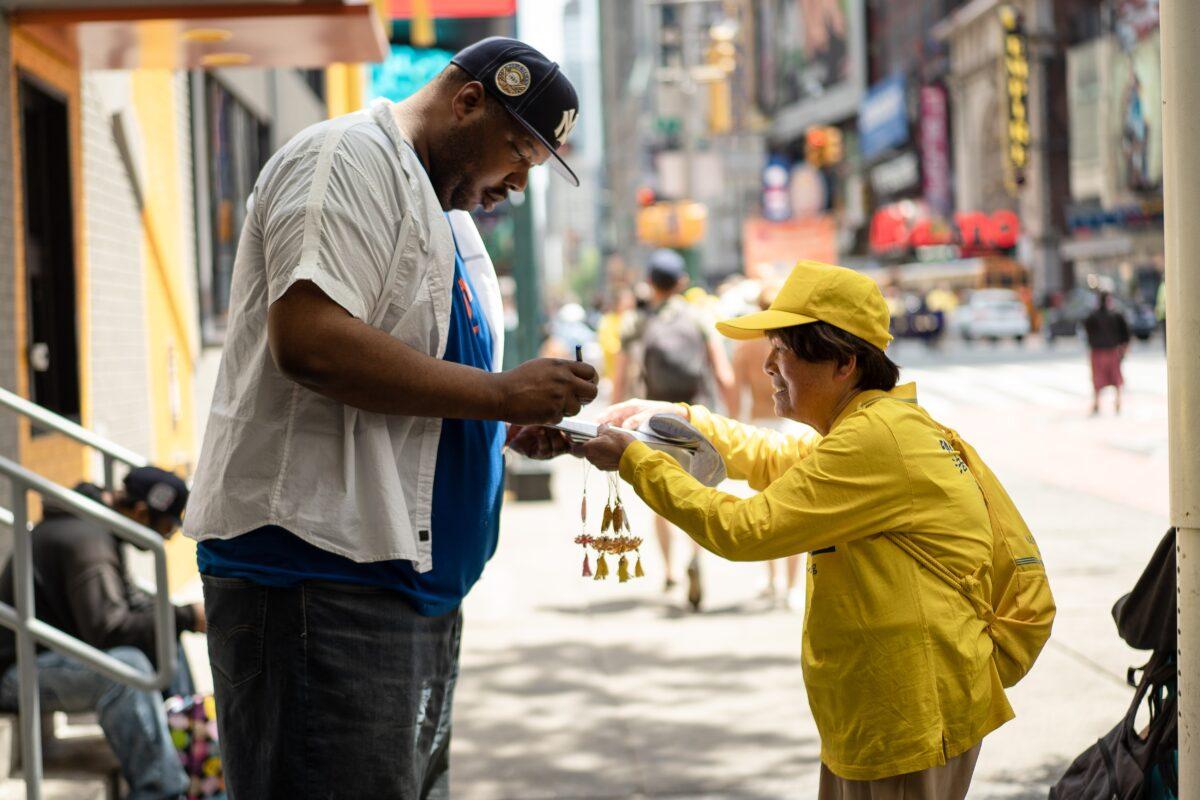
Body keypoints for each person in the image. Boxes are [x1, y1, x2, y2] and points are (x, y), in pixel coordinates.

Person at [183, 37, 597, 799]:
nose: (515, 183)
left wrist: (494, 427)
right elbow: (311, 343)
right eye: (516, 153)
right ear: (467, 101)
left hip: (404, 593)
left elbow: (424, 379)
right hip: (320, 588)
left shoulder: (445, 215)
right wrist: (501, 395)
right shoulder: (346, 160)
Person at [584, 260, 1020, 799]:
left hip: (908, 713)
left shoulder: (873, 439)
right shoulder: (868, 425)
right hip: (881, 708)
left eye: (783, 350)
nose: (768, 364)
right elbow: (773, 456)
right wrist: (680, 419)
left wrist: (638, 463)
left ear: (843, 363)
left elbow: (744, 529)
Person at [0, 467, 200, 800]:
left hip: (45, 658)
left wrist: (178, 617)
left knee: (163, 633)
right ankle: (162, 791)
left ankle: (192, 759)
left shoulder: (91, 524)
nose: (165, 539)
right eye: (166, 529)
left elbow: (126, 612)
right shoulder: (87, 542)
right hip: (14, 674)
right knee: (127, 668)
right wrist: (188, 616)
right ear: (140, 513)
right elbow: (108, 629)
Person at [611, 248, 735, 610]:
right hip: (696, 416)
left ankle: (669, 571)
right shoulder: (698, 317)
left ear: (649, 283)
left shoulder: (636, 321)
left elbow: (620, 378)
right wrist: (732, 414)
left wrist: (615, 415)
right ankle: (695, 555)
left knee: (662, 494)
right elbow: (723, 373)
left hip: (654, 420)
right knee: (697, 492)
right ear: (682, 282)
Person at [729, 284, 807, 610]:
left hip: (759, 424)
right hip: (791, 427)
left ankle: (772, 577)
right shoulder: (795, 342)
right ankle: (791, 586)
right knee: (793, 511)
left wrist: (732, 427)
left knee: (765, 509)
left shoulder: (746, 346)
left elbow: (735, 392)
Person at [1083, 291, 1131, 415]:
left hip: (1098, 351)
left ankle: (1097, 402)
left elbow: (1087, 332)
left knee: (1097, 378)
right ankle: (1118, 401)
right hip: (1111, 350)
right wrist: (1124, 347)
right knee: (1115, 377)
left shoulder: (1092, 316)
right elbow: (1124, 333)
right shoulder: (1116, 315)